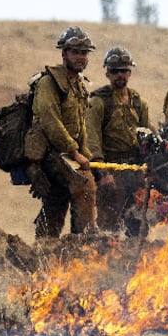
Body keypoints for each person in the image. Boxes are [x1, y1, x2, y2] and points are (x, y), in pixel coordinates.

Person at [25, 26, 97, 239]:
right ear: (64, 53)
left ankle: (46, 250)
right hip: (50, 153)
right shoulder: (49, 83)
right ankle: (82, 244)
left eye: (84, 53)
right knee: (84, 184)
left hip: (66, 154)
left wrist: (86, 154)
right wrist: (75, 154)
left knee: (57, 198)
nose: (80, 57)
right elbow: (51, 121)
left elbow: (80, 124)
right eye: (75, 52)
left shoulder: (79, 85)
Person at [85, 46, 154, 236]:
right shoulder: (98, 102)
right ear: (107, 73)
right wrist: (103, 174)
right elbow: (92, 140)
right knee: (109, 228)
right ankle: (108, 263)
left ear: (129, 72)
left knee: (138, 227)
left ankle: (135, 264)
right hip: (110, 171)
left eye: (123, 70)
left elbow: (149, 133)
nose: (119, 75)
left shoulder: (138, 102)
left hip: (135, 171)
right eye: (115, 71)